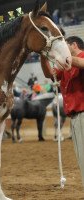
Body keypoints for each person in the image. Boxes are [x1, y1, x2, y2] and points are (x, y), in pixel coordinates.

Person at [41, 36, 84, 186]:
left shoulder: (78, 58)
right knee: (82, 159)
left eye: (65, 45)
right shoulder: (66, 64)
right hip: (75, 117)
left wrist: (63, 57)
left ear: (74, 45)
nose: (63, 48)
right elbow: (49, 74)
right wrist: (42, 55)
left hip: (82, 114)